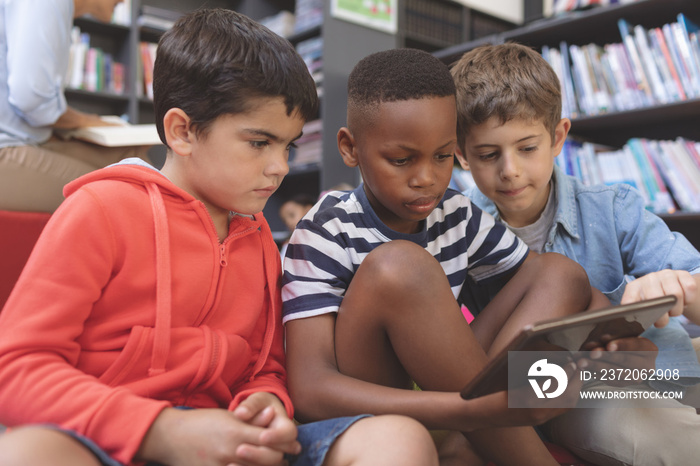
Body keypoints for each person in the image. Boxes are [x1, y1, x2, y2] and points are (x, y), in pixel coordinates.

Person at [0, 10, 439, 466]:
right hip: (109, 441)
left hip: (228, 443)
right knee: (24, 453)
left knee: (397, 440)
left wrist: (268, 405)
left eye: (287, 146)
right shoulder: (99, 211)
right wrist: (161, 430)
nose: (281, 167)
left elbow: (264, 368)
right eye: (258, 143)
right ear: (182, 131)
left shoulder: (261, 239)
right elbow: (15, 369)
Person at [281, 47, 606, 466]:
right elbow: (309, 390)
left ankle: (473, 430)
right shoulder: (324, 229)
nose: (427, 179)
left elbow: (549, 283)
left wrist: (605, 336)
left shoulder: (455, 212)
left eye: (442, 156)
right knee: (401, 266)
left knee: (562, 272)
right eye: (401, 160)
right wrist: (466, 409)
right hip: (385, 407)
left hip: (455, 388)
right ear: (350, 148)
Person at [453, 42, 700, 465]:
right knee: (649, 432)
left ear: (558, 138)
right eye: (488, 154)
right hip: (566, 395)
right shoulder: (458, 231)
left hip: (664, 373)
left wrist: (683, 287)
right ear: (460, 155)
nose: (509, 170)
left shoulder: (612, 207)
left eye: (527, 148)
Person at [0, 0, 151, 213]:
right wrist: (87, 121)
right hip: (6, 147)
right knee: (126, 192)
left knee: (132, 157)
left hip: (25, 138)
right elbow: (31, 99)